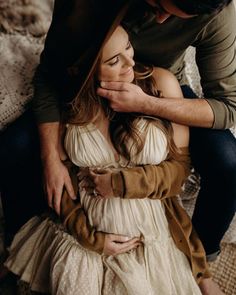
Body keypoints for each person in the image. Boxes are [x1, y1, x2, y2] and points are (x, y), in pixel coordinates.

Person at [5, 25, 219, 295]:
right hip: (86, 235)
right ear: (88, 68)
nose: (131, 62)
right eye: (114, 60)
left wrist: (120, 183)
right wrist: (90, 237)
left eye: (128, 46)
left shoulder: (161, 83)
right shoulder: (70, 102)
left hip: (147, 236)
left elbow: (178, 173)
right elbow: (64, 181)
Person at [30, 0, 235, 263]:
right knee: (17, 146)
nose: (160, 19)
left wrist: (147, 104)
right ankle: (19, 245)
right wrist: (51, 158)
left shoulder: (216, 10)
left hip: (160, 90)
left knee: (228, 160)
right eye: (159, 5)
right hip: (88, 82)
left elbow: (229, 107)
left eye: (174, 17)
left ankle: (201, 258)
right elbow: (48, 73)